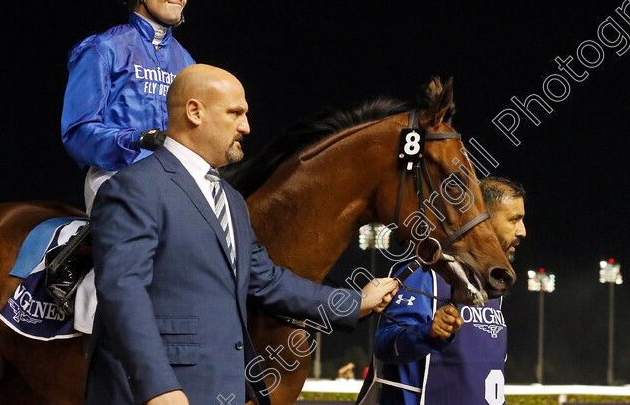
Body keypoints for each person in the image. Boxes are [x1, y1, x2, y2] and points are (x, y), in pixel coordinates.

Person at [86, 64, 399, 405]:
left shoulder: (231, 199)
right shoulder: (134, 188)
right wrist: (157, 386)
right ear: (195, 112)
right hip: (158, 393)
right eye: (235, 113)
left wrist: (354, 303)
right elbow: (123, 292)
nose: (246, 126)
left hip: (224, 387)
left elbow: (266, 280)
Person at [48, 0, 202, 312]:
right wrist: (142, 139)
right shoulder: (102, 48)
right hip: (117, 178)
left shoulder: (189, 64)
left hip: (176, 183)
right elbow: (77, 134)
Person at [357, 176, 527, 405]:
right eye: (514, 220)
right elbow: (385, 346)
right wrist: (429, 332)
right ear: (482, 220)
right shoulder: (425, 272)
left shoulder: (490, 284)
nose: (522, 231)